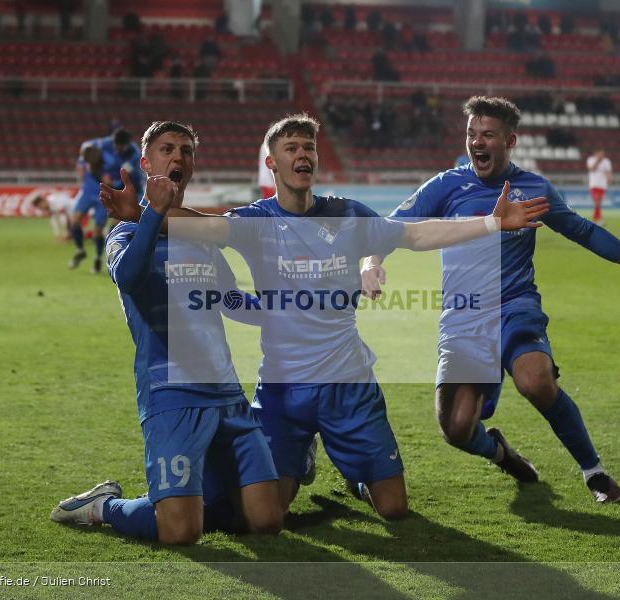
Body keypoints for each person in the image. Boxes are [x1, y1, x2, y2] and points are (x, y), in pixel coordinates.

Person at [100, 113, 549, 521]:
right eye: (291, 148)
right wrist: (141, 215)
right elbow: (199, 225)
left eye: (308, 147)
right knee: (269, 514)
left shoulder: (347, 214)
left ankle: (357, 479)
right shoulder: (254, 222)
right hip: (281, 390)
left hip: (349, 385)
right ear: (272, 164)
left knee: (394, 509)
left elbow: (414, 234)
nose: (303, 154)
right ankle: (303, 454)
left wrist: (492, 223)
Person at [361, 97, 620, 503]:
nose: (477, 142)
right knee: (456, 429)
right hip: (464, 318)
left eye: (487, 135)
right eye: (471, 134)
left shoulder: (533, 188)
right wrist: (371, 263)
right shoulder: (447, 186)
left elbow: (582, 230)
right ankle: (500, 452)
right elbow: (390, 228)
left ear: (510, 141)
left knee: (535, 381)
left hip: (515, 306)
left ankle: (594, 471)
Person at [50, 121, 282, 545]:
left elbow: (230, 300)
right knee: (180, 532)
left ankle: (197, 495)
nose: (178, 157)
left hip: (226, 393)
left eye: (187, 151)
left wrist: (284, 313)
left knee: (267, 519)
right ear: (146, 163)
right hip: (171, 394)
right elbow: (129, 277)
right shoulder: (126, 231)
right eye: (168, 149)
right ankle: (103, 506)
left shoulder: (198, 235)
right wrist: (152, 214)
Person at [70, 129, 145, 274]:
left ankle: (99, 257)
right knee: (74, 221)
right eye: (116, 146)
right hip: (89, 188)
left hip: (108, 190)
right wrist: (86, 165)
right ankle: (80, 250)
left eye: (121, 147)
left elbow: (126, 176)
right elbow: (86, 149)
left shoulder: (134, 154)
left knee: (99, 230)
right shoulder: (103, 144)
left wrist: (111, 183)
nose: (118, 149)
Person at [586, 149, 612, 225]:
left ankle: (596, 219)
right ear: (596, 153)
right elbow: (591, 169)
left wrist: (609, 178)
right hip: (594, 184)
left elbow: (608, 172)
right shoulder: (591, 159)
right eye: (600, 153)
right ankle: (597, 219)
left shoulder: (606, 161)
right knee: (597, 202)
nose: (601, 155)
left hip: (602, 185)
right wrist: (598, 161)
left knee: (598, 203)